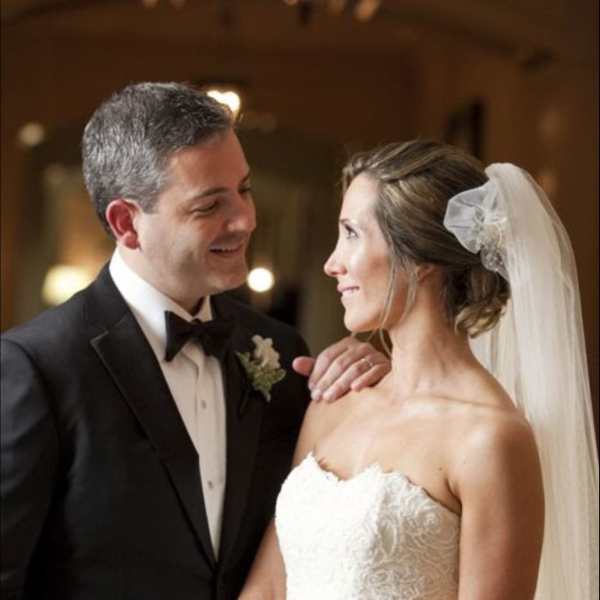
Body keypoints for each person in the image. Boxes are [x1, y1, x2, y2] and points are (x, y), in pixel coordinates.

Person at [0, 82, 390, 600]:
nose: (245, 220)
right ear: (126, 223)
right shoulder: (36, 368)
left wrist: (374, 385)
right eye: (209, 206)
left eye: (245, 190)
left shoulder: (279, 350)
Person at [240, 140, 599, 599]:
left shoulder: (489, 438)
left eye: (352, 234)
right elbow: (269, 585)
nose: (332, 264)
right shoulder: (334, 402)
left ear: (420, 257)